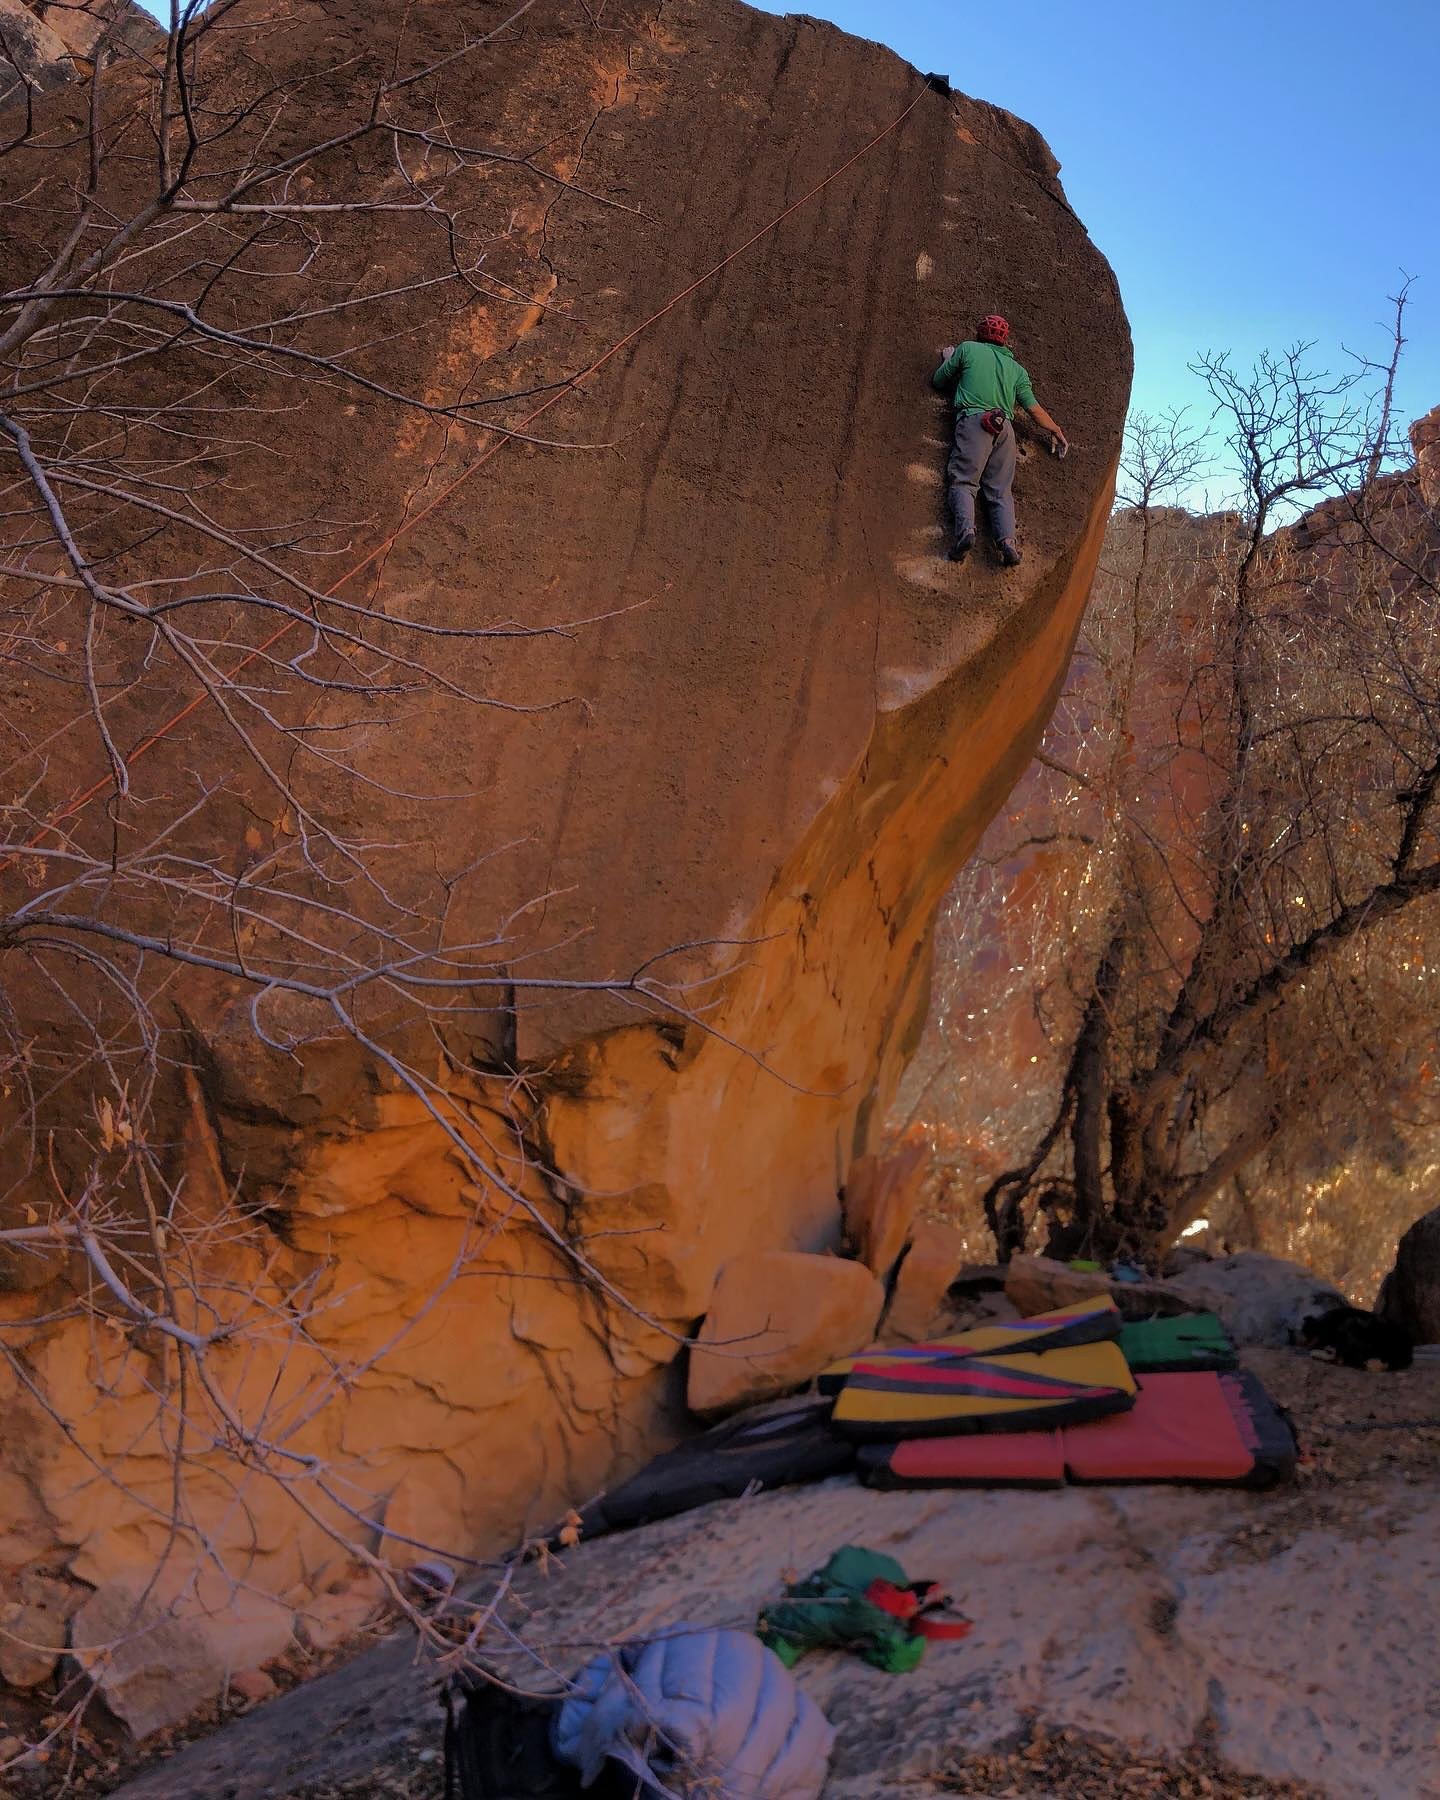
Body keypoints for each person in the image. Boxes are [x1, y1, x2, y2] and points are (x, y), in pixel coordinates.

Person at [932, 315, 1068, 566]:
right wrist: (1056, 430)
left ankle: (965, 534)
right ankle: (1007, 543)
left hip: (975, 421)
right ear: (1005, 340)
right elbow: (1033, 409)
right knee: (1001, 491)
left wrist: (950, 360)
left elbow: (938, 380)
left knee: (963, 480)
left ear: (980, 333)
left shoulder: (967, 349)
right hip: (1004, 429)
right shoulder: (1017, 370)